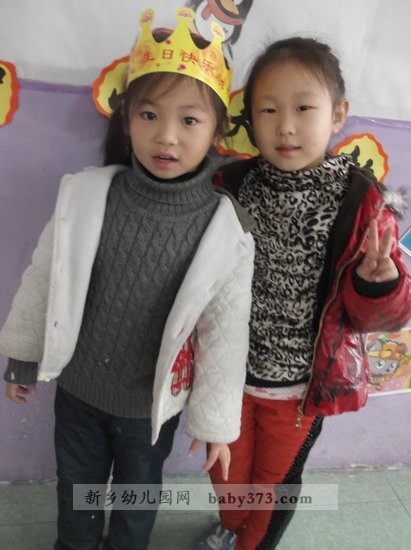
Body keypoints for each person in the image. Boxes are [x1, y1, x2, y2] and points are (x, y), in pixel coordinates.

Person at [0, 8, 255, 550]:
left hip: (149, 409)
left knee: (138, 498)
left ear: (216, 130)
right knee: (78, 491)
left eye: (189, 120)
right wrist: (22, 352)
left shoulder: (224, 229)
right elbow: (46, 275)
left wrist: (214, 423)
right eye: (149, 115)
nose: (166, 136)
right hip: (79, 392)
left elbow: (226, 331)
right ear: (126, 120)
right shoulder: (87, 195)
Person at [196, 36, 411, 550]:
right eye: (268, 110)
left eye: (303, 108)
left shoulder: (363, 203)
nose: (285, 126)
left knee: (273, 486)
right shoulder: (230, 186)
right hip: (227, 378)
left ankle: (251, 544)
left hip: (299, 392)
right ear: (250, 118)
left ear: (338, 115)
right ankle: (233, 526)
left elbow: (383, 317)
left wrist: (377, 282)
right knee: (229, 484)